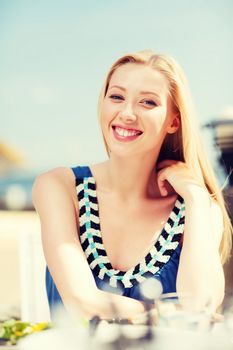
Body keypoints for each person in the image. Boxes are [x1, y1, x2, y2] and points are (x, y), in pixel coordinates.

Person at [32, 49, 232, 322]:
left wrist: (196, 197)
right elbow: (82, 302)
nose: (126, 113)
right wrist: (172, 313)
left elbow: (201, 305)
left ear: (174, 121)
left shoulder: (198, 208)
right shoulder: (59, 187)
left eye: (147, 102)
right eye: (116, 97)